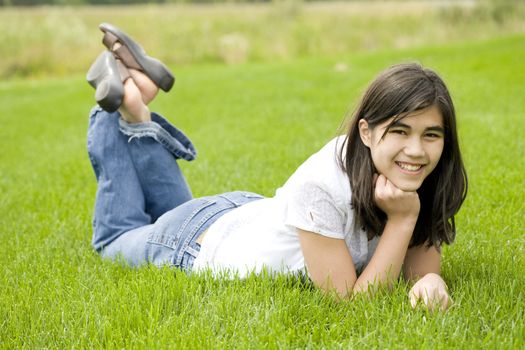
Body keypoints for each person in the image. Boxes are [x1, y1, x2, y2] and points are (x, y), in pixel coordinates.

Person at [86, 24, 467, 311]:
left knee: (166, 214)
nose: (416, 150)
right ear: (365, 132)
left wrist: (431, 280)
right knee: (114, 239)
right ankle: (115, 103)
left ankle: (136, 103)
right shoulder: (324, 185)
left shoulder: (420, 176)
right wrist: (402, 221)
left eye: (431, 135)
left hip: (244, 214)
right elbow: (351, 303)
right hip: (195, 244)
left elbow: (418, 270)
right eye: (400, 130)